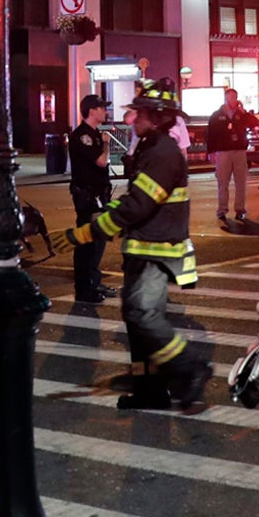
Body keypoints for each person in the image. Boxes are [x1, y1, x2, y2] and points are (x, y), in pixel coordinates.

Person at [55, 78, 210, 412]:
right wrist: (99, 218)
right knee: (135, 322)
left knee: (142, 314)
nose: (133, 119)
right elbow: (131, 199)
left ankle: (188, 366)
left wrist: (91, 232)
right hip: (144, 247)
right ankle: (148, 389)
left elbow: (139, 205)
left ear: (155, 117)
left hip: (157, 250)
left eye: (139, 113)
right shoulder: (152, 149)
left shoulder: (163, 153)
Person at [66, 96, 114, 303]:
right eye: (102, 108)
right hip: (87, 196)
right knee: (87, 241)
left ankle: (94, 282)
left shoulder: (94, 134)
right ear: (91, 111)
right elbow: (102, 162)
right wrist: (105, 144)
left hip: (99, 194)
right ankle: (84, 288)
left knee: (99, 240)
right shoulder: (82, 136)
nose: (105, 112)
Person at [206, 88, 257, 226]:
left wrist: (243, 111)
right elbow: (210, 134)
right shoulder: (217, 115)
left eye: (234, 98)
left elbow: (254, 123)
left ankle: (240, 209)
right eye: (230, 98)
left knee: (241, 182)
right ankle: (222, 209)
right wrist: (211, 152)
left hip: (239, 151)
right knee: (223, 182)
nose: (232, 101)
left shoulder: (241, 114)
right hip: (223, 152)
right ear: (225, 98)